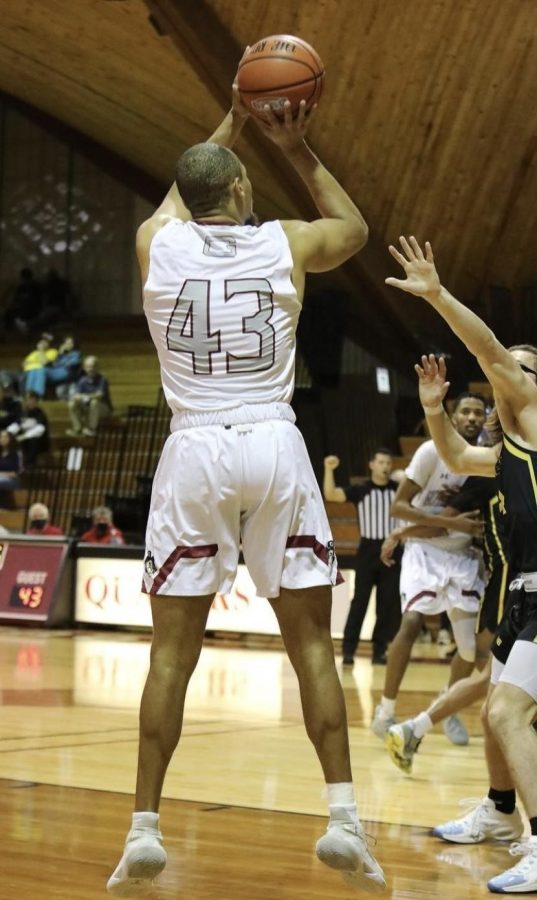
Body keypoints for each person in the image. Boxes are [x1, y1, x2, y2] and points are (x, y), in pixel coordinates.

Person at [106, 77, 386, 896]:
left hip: (193, 447)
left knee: (170, 654)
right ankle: (342, 819)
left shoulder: (154, 241)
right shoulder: (284, 243)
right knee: (308, 645)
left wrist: (229, 121)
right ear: (237, 186)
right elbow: (356, 230)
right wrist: (296, 147)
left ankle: (145, 829)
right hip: (271, 437)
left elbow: (182, 187)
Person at [384, 234, 537, 893]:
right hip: (521, 596)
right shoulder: (505, 456)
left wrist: (438, 294)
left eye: (522, 368)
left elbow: (488, 352)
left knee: (505, 712)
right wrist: (429, 409)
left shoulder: (533, 417)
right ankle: (502, 814)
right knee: (495, 711)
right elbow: (450, 457)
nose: (509, 373)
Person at [383, 424, 510, 773]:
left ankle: (418, 726)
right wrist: (402, 531)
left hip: (475, 567)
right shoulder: (486, 472)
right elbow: (439, 521)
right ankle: (395, 715)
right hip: (508, 581)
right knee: (492, 673)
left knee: (484, 666)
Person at [370, 392, 487, 748]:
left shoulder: (483, 462)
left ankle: (447, 706)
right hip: (424, 548)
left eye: (478, 413)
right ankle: (385, 711)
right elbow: (399, 506)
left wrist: (407, 531)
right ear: (451, 416)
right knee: (412, 620)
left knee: (468, 650)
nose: (471, 418)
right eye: (465, 411)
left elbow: (454, 522)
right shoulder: (429, 451)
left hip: (463, 553)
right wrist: (405, 532)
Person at [323, 449, 402, 665]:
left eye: (388, 462)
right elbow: (331, 495)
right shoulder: (362, 490)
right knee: (360, 602)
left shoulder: (398, 490)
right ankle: (349, 650)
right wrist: (328, 470)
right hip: (368, 551)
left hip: (393, 551)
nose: (385, 466)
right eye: (381, 462)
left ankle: (379, 651)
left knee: (387, 605)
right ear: (372, 465)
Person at [24, 335, 81, 399]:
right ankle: (28, 394)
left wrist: (61, 356)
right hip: (55, 371)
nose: (68, 345)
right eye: (66, 343)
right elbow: (55, 364)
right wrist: (60, 354)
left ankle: (38, 395)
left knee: (42, 369)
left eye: (70, 343)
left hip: (66, 372)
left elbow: (71, 364)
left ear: (74, 344)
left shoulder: (76, 354)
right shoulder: (61, 354)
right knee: (37, 369)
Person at [67, 355, 112, 437]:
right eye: (88, 367)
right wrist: (80, 397)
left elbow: (99, 395)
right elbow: (76, 395)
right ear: (84, 368)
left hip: (103, 408)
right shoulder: (82, 381)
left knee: (94, 402)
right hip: (87, 407)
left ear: (97, 367)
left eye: (93, 366)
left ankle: (91, 429)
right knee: (71, 404)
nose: (90, 369)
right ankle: (78, 429)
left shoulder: (102, 379)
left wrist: (85, 397)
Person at [7, 391, 50, 466]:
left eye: (32, 400)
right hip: (24, 440)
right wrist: (7, 432)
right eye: (28, 400)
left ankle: (30, 463)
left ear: (36, 401)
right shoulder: (23, 413)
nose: (30, 402)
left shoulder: (40, 413)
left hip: (38, 441)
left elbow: (40, 429)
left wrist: (25, 436)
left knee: (32, 440)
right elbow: (17, 424)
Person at [0, 429, 24, 506]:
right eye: (1, 437)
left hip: (12, 480)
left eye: (5, 437)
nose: (3, 439)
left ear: (11, 439)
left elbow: (17, 472)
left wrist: (2, 474)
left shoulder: (17, 453)